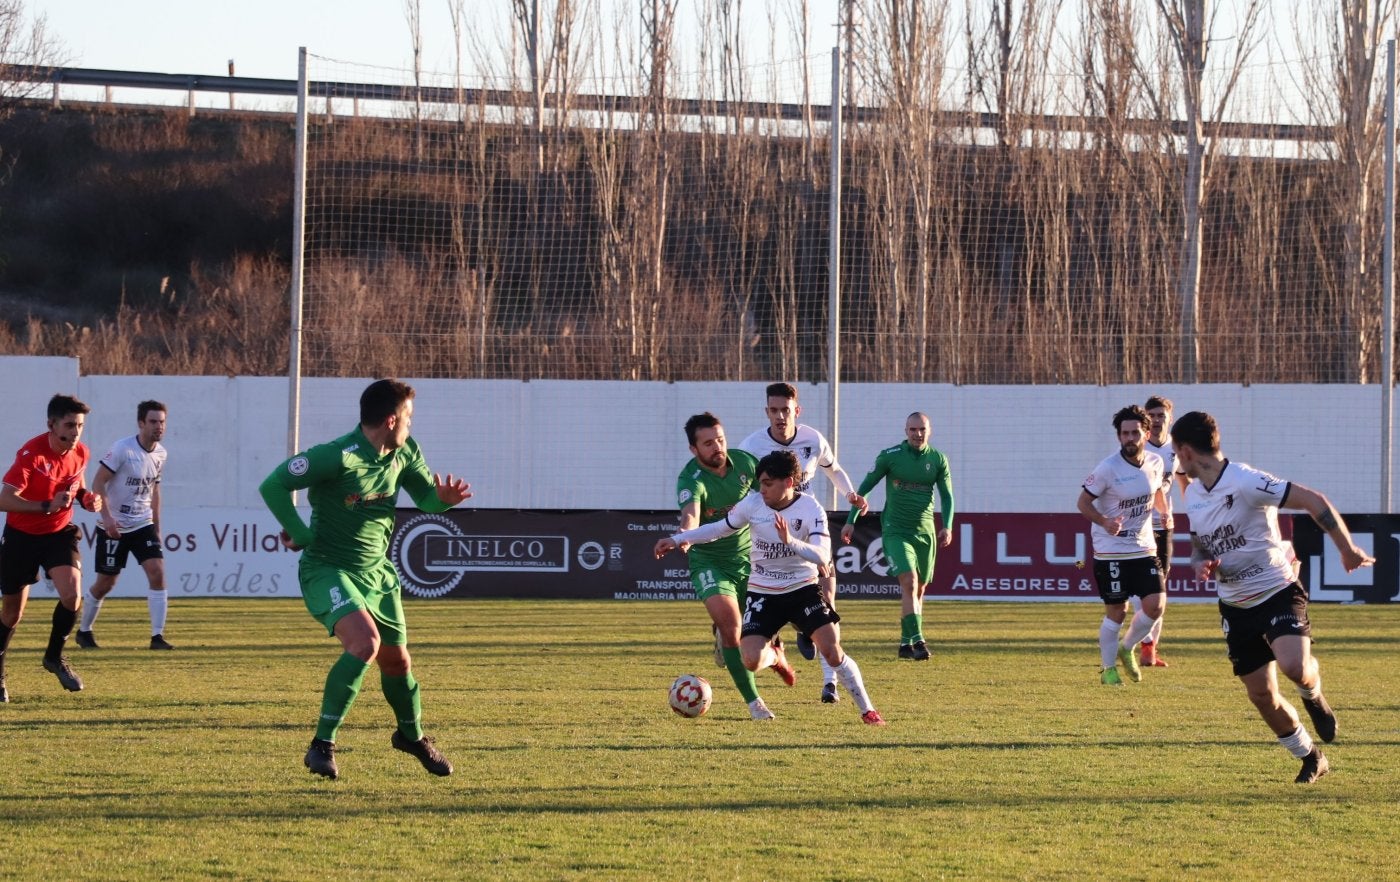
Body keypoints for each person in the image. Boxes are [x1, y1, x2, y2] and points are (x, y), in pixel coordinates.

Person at [259, 379, 470, 780]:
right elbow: (274, 484)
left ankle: (412, 736)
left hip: (378, 573)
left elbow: (426, 498)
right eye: (408, 417)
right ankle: (321, 745)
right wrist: (299, 532)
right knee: (365, 644)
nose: (411, 425)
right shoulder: (337, 456)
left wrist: (443, 500)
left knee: (397, 661)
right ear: (391, 420)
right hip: (329, 568)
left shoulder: (404, 450)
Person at [1171, 410, 1371, 784]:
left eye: (1174, 451)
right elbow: (1199, 545)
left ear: (1184, 451)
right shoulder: (1193, 494)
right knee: (1262, 696)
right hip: (1235, 604)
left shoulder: (1246, 481)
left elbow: (1314, 500)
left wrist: (1347, 549)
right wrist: (1200, 562)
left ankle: (1313, 695)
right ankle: (1311, 756)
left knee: (1294, 665)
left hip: (1277, 590)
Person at [656, 450, 886, 725]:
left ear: (788, 482)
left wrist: (790, 541)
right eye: (760, 483)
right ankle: (775, 655)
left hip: (802, 588)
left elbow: (823, 555)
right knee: (750, 659)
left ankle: (868, 711)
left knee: (832, 650)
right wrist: (678, 538)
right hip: (763, 591)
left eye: (767, 483)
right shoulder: (753, 504)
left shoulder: (810, 509)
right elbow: (718, 528)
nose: (761, 489)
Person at [738, 382, 867, 704]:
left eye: (786, 409)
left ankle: (830, 683)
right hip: (771, 538)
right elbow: (739, 486)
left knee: (829, 600)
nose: (780, 416)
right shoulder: (752, 445)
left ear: (797, 410)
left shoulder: (813, 440)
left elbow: (834, 470)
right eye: (773, 410)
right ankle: (783, 636)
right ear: (766, 411)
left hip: (810, 533)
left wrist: (849, 494)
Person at [669, 412, 790, 721]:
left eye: (720, 440)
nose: (717, 447)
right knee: (732, 631)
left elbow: (772, 492)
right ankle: (755, 705)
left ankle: (774, 655)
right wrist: (685, 536)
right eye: (708, 443)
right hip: (709, 562)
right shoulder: (690, 480)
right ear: (694, 450)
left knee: (758, 640)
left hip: (752, 561)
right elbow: (690, 515)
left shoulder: (747, 464)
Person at [0, 394, 104, 701]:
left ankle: (54, 657)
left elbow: (77, 484)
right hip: (21, 537)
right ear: (51, 424)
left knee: (72, 594)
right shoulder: (31, 454)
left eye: (80, 425)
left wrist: (87, 499)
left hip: (59, 533)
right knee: (11, 613)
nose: (75, 432)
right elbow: (4, 499)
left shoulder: (80, 452)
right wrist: (45, 504)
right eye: (70, 425)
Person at [839, 412, 953, 661]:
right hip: (895, 531)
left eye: (922, 429)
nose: (917, 434)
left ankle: (904, 643)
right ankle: (919, 641)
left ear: (929, 430)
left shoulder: (938, 460)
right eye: (913, 429)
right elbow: (864, 488)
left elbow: (947, 496)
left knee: (918, 590)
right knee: (910, 582)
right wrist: (850, 521)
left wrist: (948, 525)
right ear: (905, 431)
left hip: (925, 533)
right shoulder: (890, 457)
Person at [1077, 405, 1168, 686]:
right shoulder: (1107, 469)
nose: (1129, 438)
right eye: (1124, 433)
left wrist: (1164, 512)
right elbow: (1082, 503)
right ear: (1119, 436)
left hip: (1143, 547)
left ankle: (1127, 647)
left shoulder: (1156, 462)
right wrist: (1104, 522)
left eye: (1135, 433)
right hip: (1111, 551)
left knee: (1156, 605)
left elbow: (1157, 491)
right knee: (1118, 611)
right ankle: (1107, 670)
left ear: (1146, 433)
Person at [76, 400, 172, 650]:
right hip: (114, 526)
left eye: (162, 421)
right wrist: (107, 518)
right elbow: (98, 484)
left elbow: (155, 490)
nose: (158, 426)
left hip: (143, 524)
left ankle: (157, 637)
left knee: (157, 572)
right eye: (153, 421)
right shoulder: (122, 449)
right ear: (141, 423)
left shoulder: (161, 453)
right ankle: (84, 631)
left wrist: (157, 527)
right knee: (107, 582)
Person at [1138, 394, 1189, 667]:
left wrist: (1196, 507)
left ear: (1170, 418)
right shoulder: (1139, 448)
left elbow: (1182, 479)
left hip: (1164, 526)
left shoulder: (1175, 448)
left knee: (1160, 589)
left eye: (1161, 416)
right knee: (1143, 589)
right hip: (1139, 526)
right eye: (1153, 416)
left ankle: (1150, 648)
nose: (1157, 421)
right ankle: (1144, 644)